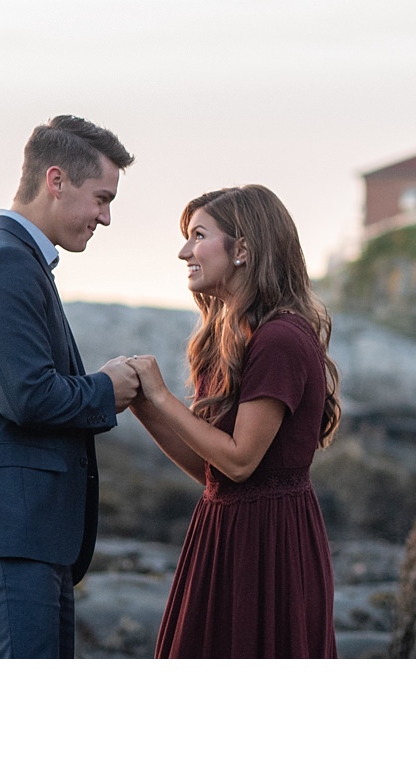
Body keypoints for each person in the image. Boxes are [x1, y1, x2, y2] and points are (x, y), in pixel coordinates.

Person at [0, 115, 141, 658]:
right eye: (101, 198)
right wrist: (107, 389)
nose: (106, 218)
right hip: (5, 531)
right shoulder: (2, 265)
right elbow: (28, 397)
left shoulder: (18, 263)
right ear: (56, 180)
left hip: (24, 535)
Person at [130, 184, 341, 657]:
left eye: (199, 235)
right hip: (224, 528)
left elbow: (242, 461)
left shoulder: (280, 339)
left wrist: (164, 396)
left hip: (271, 543)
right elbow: (216, 471)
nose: (185, 251)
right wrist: (147, 405)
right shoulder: (227, 338)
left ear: (242, 249)